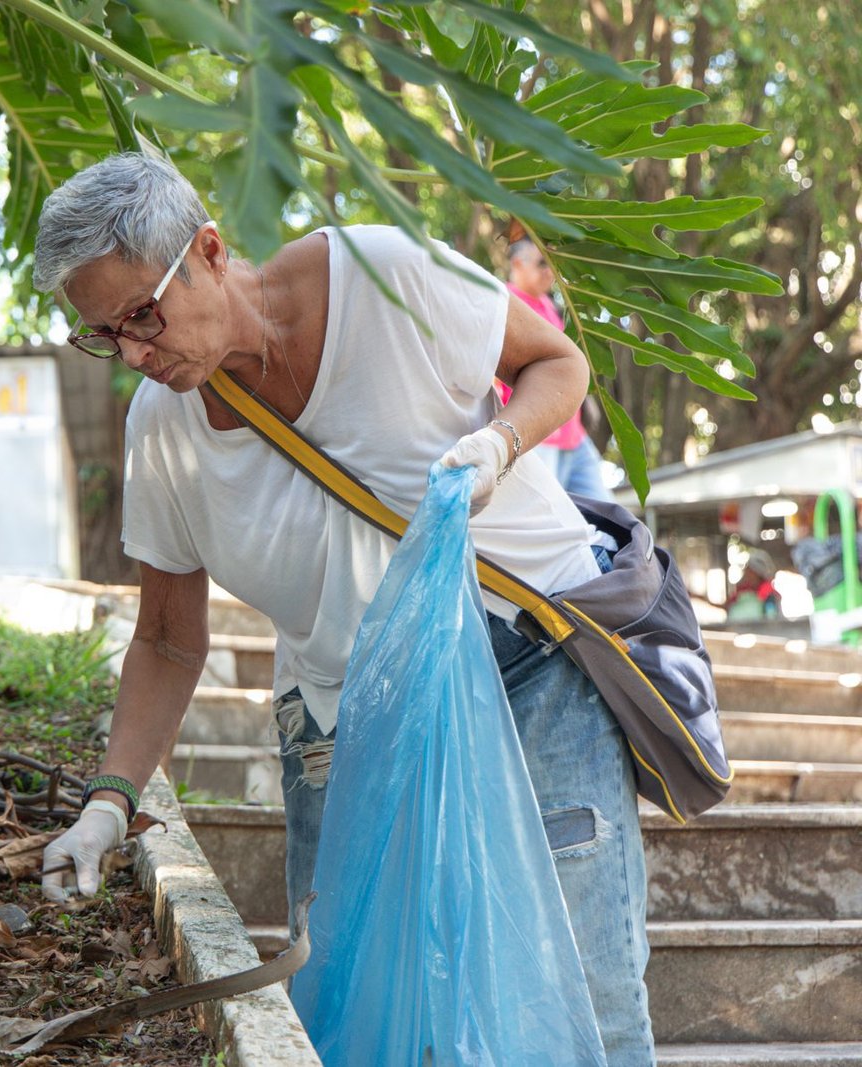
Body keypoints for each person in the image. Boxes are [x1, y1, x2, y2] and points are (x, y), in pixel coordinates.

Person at [33, 154, 654, 1065]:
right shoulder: (162, 431)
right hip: (343, 724)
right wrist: (107, 803)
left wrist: (499, 443)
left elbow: (557, 362)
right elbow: (167, 639)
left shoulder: (383, 276)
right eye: (103, 335)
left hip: (529, 674)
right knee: (359, 1012)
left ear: (207, 251)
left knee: (581, 985)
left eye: (140, 315)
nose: (132, 353)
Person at [503, 237, 614, 500]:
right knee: (547, 517)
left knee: (608, 513)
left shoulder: (549, 307)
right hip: (538, 435)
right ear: (518, 264)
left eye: (553, 264)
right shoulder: (507, 303)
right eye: (543, 263)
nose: (549, 271)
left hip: (573, 436)